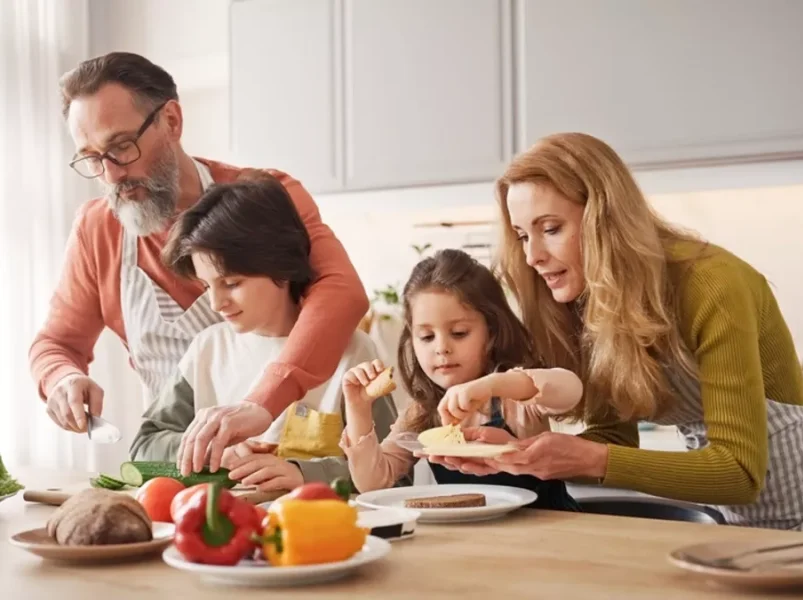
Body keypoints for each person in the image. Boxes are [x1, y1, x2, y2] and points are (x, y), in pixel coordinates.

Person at [433, 132, 803, 534]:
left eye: (551, 229)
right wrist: (515, 454)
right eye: (522, 235)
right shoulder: (588, 302)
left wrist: (592, 459)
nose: (532, 256)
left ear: (607, 217)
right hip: (731, 521)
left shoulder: (714, 284)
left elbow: (740, 473)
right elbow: (612, 440)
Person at [28, 52, 368, 475]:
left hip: (281, 465)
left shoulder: (265, 196)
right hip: (179, 471)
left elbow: (341, 292)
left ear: (171, 120)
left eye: (121, 147)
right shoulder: (98, 229)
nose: (111, 175)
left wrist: (259, 405)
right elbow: (56, 344)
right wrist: (62, 379)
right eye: (92, 158)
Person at [129, 175, 397, 490]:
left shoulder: (354, 351)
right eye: (207, 286)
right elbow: (144, 447)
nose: (216, 304)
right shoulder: (207, 349)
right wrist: (215, 451)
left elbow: (395, 472)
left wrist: (305, 474)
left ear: (281, 269)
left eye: (231, 283)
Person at [339, 248, 584, 511]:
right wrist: (357, 407)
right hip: (471, 538)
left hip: (548, 531)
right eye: (427, 337)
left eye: (458, 333)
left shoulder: (515, 400)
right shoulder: (422, 413)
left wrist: (493, 384)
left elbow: (570, 390)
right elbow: (373, 483)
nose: (441, 348)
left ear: (492, 332)